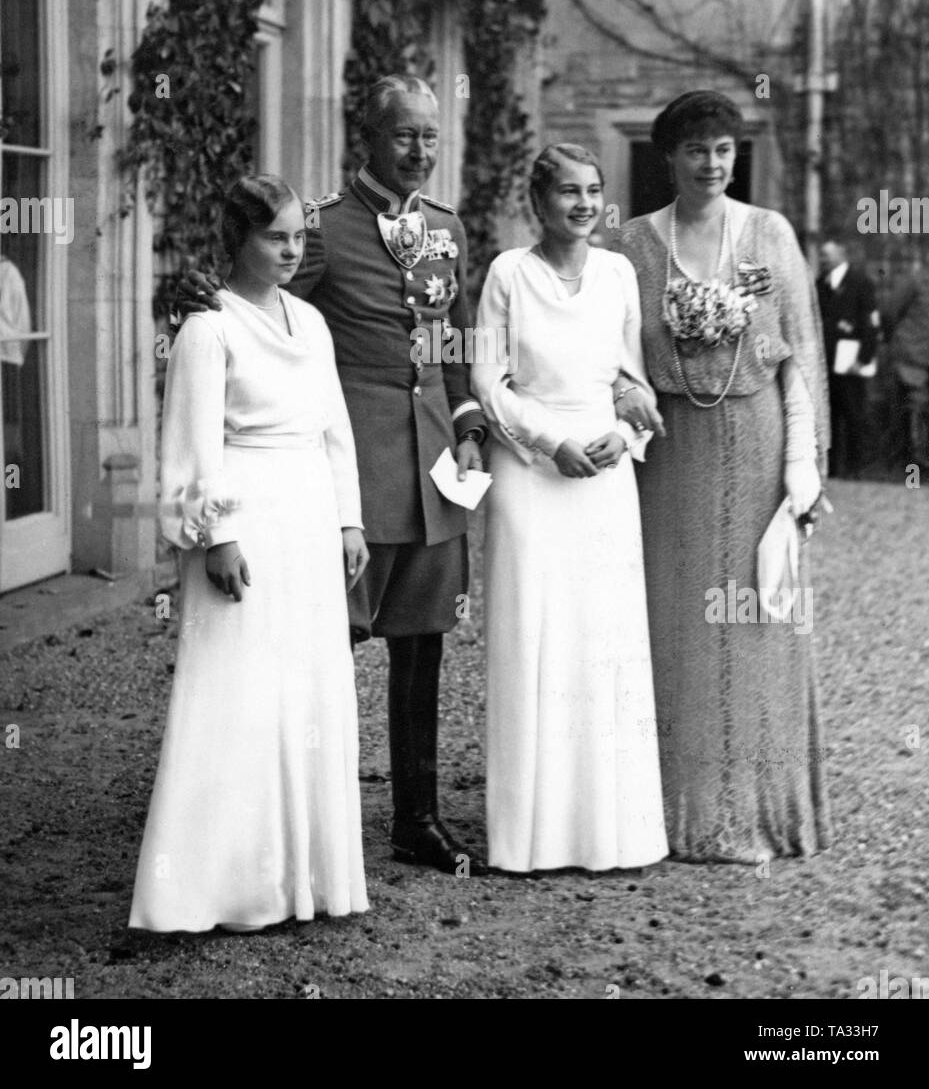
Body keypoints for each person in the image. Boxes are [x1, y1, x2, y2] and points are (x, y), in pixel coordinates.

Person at [177, 77, 488, 875]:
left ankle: (415, 817)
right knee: (322, 645)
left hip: (433, 477)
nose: (418, 151)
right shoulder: (320, 228)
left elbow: (454, 347)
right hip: (350, 478)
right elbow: (270, 322)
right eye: (403, 137)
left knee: (423, 648)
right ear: (369, 138)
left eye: (429, 137)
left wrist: (468, 430)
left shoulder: (447, 231)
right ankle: (297, 814)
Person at [130, 175, 369, 933]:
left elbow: (334, 428)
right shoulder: (210, 327)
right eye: (275, 236)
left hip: (307, 515)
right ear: (238, 240)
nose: (292, 249)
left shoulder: (310, 321)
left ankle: (306, 878)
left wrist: (348, 523)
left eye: (300, 236)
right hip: (246, 522)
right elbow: (191, 444)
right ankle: (215, 886)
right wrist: (217, 535)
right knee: (234, 692)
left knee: (305, 691)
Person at [618, 91, 832, 864]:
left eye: (722, 150)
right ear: (667, 158)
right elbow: (610, 354)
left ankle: (752, 810)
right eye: (694, 150)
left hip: (755, 442)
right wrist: (623, 395)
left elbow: (798, 359)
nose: (710, 164)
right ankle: (661, 810)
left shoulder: (769, 233)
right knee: (672, 619)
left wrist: (800, 468)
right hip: (671, 453)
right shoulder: (633, 246)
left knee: (752, 617)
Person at [472, 144, 668, 873]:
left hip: (604, 476)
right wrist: (550, 442)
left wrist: (621, 433)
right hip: (532, 469)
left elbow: (630, 379)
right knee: (533, 633)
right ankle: (528, 835)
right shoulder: (506, 274)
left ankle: (608, 830)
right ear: (538, 200)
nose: (582, 205)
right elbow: (488, 382)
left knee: (602, 639)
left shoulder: (617, 273)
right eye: (566, 192)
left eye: (592, 191)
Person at [816, 237, 880, 478]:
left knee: (854, 415)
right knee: (829, 417)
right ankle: (831, 469)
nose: (822, 259)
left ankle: (855, 469)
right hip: (827, 363)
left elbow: (871, 323)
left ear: (841, 255)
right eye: (821, 255)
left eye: (826, 255)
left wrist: (863, 359)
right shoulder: (821, 283)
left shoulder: (860, 282)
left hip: (851, 363)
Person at [882, 258, 929, 470]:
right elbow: (890, 312)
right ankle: (913, 466)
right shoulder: (914, 280)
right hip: (912, 355)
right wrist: (896, 340)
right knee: (913, 407)